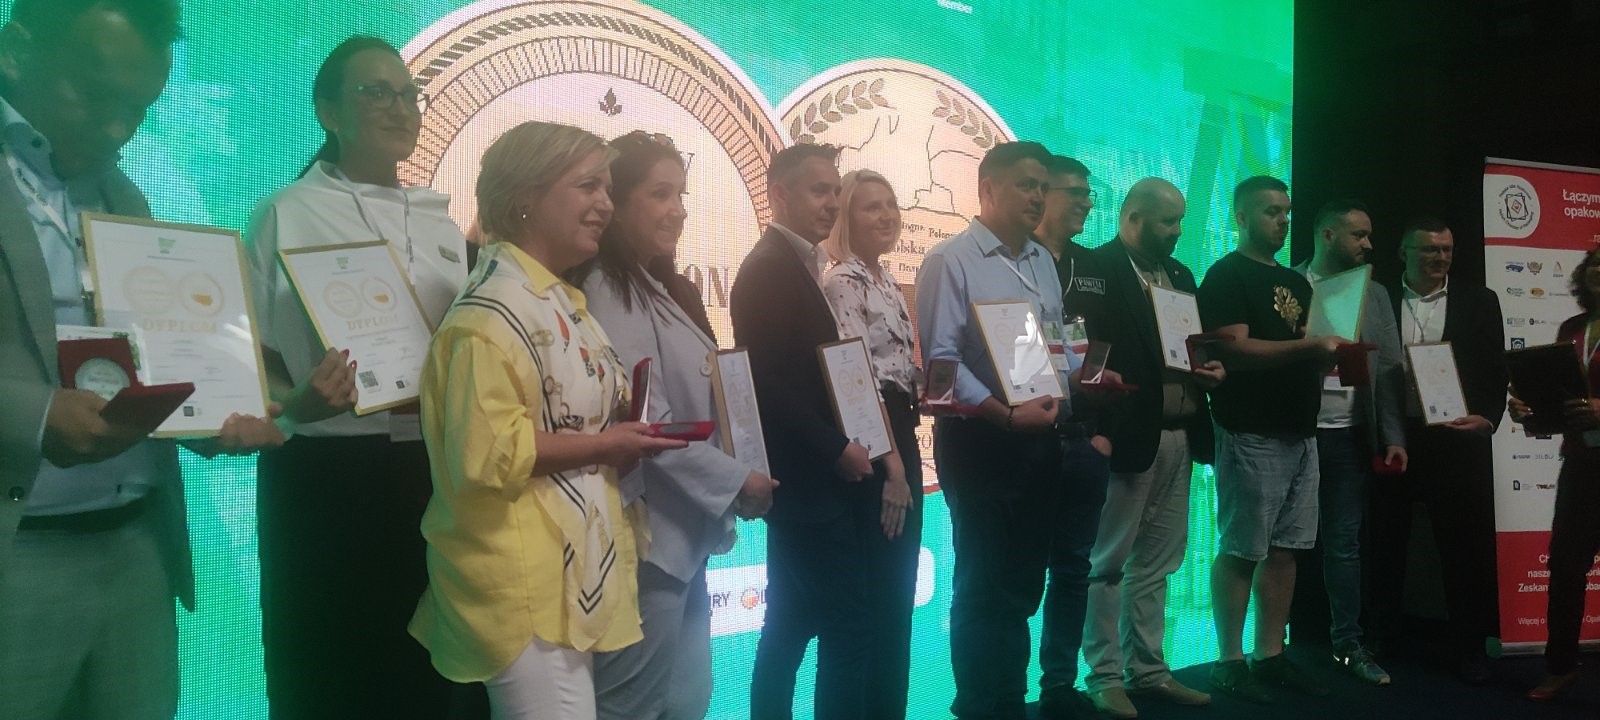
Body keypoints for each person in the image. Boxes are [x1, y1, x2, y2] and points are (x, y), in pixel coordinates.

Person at [0, 1, 282, 717]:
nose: (118, 128)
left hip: (135, 548)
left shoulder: (123, 193)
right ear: (15, 49)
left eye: (139, 107)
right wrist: (35, 414)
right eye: (96, 95)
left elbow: (150, 357)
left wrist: (209, 416)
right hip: (18, 552)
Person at [408, 121, 686, 720]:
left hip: (562, 574)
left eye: (607, 187)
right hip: (524, 585)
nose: (605, 204)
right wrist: (607, 445)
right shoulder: (489, 315)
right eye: (588, 186)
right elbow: (489, 453)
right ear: (525, 198)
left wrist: (619, 428)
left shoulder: (553, 298)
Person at [245, 35, 468, 717]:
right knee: (325, 674)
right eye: (376, 93)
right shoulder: (286, 212)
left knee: (429, 676)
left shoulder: (440, 222)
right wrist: (292, 405)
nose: (400, 108)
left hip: (430, 470)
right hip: (325, 477)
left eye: (409, 95)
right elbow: (252, 357)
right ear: (328, 112)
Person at [576, 130, 778, 720]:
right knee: (632, 706)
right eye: (660, 193)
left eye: (681, 194)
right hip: (650, 540)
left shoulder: (652, 287)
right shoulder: (608, 290)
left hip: (680, 537)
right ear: (616, 204)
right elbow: (650, 426)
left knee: (687, 700)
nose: (678, 210)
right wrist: (737, 480)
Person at [915, 141, 1084, 720]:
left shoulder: (1042, 261)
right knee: (982, 583)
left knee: (1022, 582)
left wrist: (1083, 375)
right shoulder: (951, 260)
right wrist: (1003, 414)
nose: (1037, 196)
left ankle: (1010, 700)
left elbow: (1053, 345)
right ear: (987, 189)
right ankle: (977, 706)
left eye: (1042, 186)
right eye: (1025, 185)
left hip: (1040, 438)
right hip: (981, 440)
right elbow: (942, 363)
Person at [733, 143, 876, 720]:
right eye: (820, 190)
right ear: (779, 194)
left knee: (790, 623)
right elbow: (769, 384)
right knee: (848, 624)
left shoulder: (799, 264)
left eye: (836, 191)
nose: (832, 203)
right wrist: (836, 448)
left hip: (806, 483)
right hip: (808, 484)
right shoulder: (769, 267)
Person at [1080, 178, 1223, 718]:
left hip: (1181, 434)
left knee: (1159, 563)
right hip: (1127, 437)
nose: (1178, 231)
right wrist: (1101, 427)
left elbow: (1192, 350)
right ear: (1133, 217)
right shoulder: (1096, 270)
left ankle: (1148, 670)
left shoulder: (1180, 275)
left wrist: (1211, 370)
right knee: (1107, 563)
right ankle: (1104, 676)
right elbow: (1087, 357)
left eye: (1181, 220)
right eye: (1168, 221)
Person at [1198, 175, 1342, 704]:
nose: (1282, 220)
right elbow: (1232, 350)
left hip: (1301, 432)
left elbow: (1303, 347)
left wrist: (1331, 356)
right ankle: (1229, 659)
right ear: (1240, 217)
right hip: (1250, 430)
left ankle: (1269, 653)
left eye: (1286, 212)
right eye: (1270, 212)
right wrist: (1310, 350)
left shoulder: (1297, 284)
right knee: (1242, 549)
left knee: (1286, 550)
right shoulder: (1226, 275)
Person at [1367, 216, 1507, 684]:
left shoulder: (1479, 300)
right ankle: (1380, 636)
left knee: (1463, 546)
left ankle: (1470, 647)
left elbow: (1495, 369)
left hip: (1455, 437)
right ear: (1403, 253)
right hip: (1395, 434)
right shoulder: (1378, 298)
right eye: (1429, 249)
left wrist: (1487, 419)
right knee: (1385, 539)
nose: (1440, 258)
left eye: (1446, 250)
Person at [1288, 198, 1406, 686]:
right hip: (1293, 431)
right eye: (1359, 234)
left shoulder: (1375, 293)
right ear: (1328, 234)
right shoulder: (1288, 284)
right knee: (1280, 542)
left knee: (1344, 544)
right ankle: (1269, 647)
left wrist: (1393, 436)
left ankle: (1348, 644)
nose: (1368, 244)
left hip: (1349, 435)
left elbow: (1391, 368)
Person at [819, 169, 921, 720]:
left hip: (900, 432)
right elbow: (856, 381)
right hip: (875, 445)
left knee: (896, 601)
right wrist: (894, 469)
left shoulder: (886, 280)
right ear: (845, 217)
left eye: (890, 204)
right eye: (870, 206)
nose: (886, 215)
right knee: (869, 606)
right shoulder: (844, 281)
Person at [1030, 153, 1119, 720]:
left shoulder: (1096, 266)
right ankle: (1004, 693)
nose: (1087, 202)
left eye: (1090, 193)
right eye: (1076, 192)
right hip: (1029, 437)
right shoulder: (1018, 261)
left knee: (1074, 569)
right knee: (1018, 573)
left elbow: (1114, 345)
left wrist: (1104, 433)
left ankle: (1059, 684)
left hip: (1086, 436)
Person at [1514, 245, 1600, 701]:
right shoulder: (1571, 329)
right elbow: (1558, 394)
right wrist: (1530, 409)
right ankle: (1560, 667)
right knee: (1566, 567)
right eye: (1596, 263)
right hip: (1582, 464)